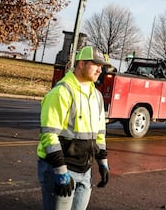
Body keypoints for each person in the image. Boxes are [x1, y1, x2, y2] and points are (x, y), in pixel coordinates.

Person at [37, 46, 111, 210]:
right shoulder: (61, 92)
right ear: (81, 64)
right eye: (96, 65)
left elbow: (99, 134)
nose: (100, 70)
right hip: (59, 169)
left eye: (102, 66)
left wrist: (102, 162)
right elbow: (49, 135)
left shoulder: (96, 96)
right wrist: (61, 171)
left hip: (84, 171)